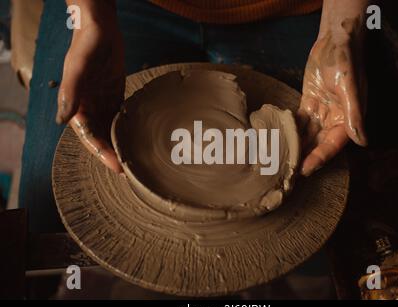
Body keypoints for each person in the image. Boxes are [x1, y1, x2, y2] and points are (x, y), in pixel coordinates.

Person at [21, 0, 368, 233]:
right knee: (46, 218)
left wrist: (341, 31)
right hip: (123, 6)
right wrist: (88, 19)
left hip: (302, 9)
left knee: (355, 220)